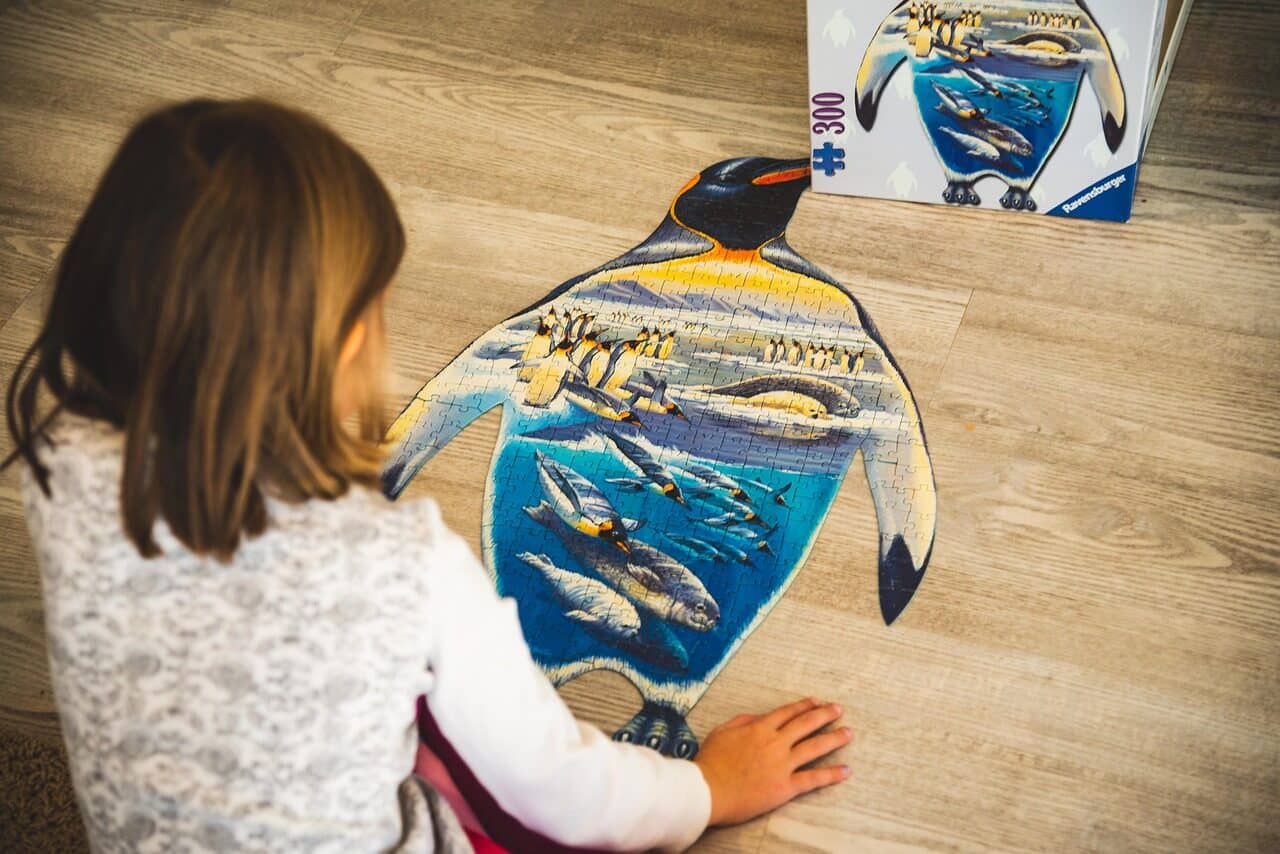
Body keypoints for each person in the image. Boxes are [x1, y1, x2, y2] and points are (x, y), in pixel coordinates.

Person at [4, 99, 851, 853]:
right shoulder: (400, 568)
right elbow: (557, 793)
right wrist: (706, 791)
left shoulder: (57, 464)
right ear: (339, 350)